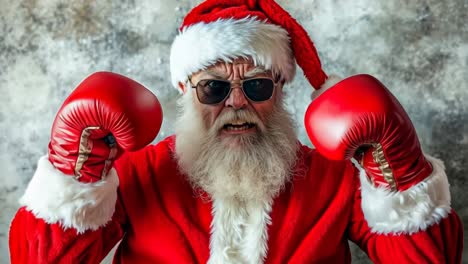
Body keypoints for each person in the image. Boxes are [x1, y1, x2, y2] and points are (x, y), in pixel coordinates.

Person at [9, 0, 463, 263]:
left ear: (281, 89)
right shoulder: (135, 172)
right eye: (214, 88)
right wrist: (76, 171)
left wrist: (400, 175)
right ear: (187, 90)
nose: (237, 102)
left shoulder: (337, 177)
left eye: (257, 85)